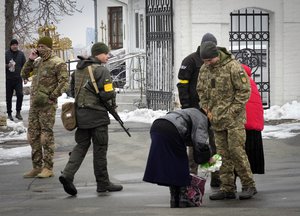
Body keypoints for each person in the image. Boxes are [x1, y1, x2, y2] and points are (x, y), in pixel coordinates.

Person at [59, 42, 123, 196]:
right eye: (105, 53)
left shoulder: (79, 70)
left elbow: (72, 91)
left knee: (81, 146)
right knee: (100, 150)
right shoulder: (101, 70)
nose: (108, 56)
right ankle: (103, 183)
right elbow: (108, 94)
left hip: (81, 116)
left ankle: (67, 174)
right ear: (98, 54)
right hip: (97, 117)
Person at [196, 41, 257, 200]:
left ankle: (248, 185)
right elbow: (201, 90)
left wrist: (231, 112)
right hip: (216, 119)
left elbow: (244, 92)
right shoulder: (205, 69)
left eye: (209, 60)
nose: (207, 63)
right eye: (205, 61)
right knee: (222, 154)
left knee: (237, 152)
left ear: (216, 56)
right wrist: (206, 109)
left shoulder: (233, 67)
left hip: (233, 120)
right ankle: (227, 188)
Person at [143, 108, 212, 208]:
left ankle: (174, 198)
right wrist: (205, 157)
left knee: (172, 164)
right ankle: (183, 198)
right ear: (207, 112)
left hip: (157, 126)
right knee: (181, 162)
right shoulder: (202, 117)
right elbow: (200, 142)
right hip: (172, 129)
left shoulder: (189, 111)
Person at [21, 36, 69, 178]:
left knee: (45, 137)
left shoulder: (57, 63)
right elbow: (23, 74)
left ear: (49, 47)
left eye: (42, 46)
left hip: (47, 106)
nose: (40, 49)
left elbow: (65, 83)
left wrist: (52, 96)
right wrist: (30, 59)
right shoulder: (37, 63)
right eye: (38, 46)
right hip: (34, 106)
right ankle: (36, 167)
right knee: (33, 136)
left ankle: (48, 167)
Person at [177, 33, 220, 187]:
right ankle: (191, 177)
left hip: (212, 110)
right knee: (195, 144)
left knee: (214, 144)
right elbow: (182, 85)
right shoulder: (190, 60)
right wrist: (186, 107)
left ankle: (216, 177)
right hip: (195, 110)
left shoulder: (217, 61)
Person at [242, 64, 265, 174]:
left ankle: (245, 179)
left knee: (242, 152)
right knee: (252, 152)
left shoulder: (240, 81)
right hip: (254, 122)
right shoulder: (250, 80)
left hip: (245, 122)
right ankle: (249, 176)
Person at [5, 39, 26, 121]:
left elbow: (25, 66)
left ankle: (18, 112)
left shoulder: (21, 54)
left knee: (20, 95)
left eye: (16, 45)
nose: (15, 46)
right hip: (8, 79)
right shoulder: (6, 54)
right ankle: (9, 113)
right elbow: (1, 65)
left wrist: (25, 77)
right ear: (10, 46)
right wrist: (8, 65)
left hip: (18, 79)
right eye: (13, 45)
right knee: (8, 97)